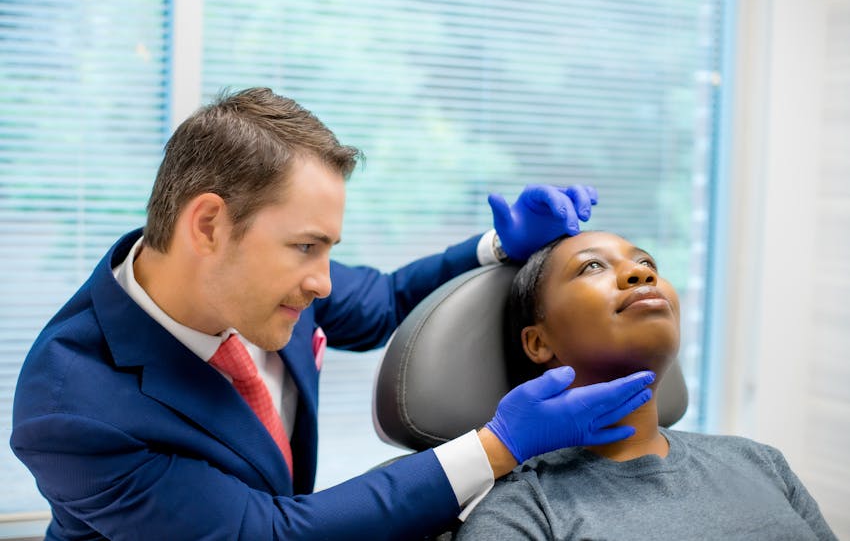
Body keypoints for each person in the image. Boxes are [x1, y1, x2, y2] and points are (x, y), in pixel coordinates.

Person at [10, 88, 657, 541]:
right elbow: (267, 534)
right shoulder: (70, 407)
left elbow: (382, 302)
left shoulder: (250, 276)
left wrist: (500, 248)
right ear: (207, 224)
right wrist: (496, 446)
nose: (323, 282)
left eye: (328, 249)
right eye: (306, 247)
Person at [455, 231, 838, 540]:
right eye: (591, 267)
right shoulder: (521, 509)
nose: (641, 275)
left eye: (647, 263)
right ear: (539, 343)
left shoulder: (761, 462)